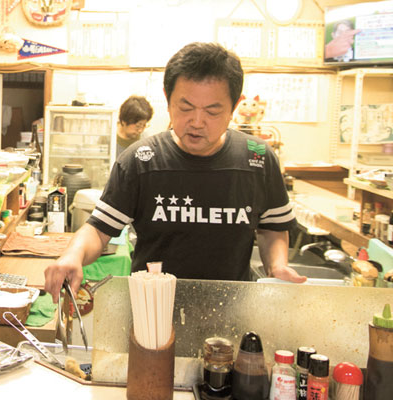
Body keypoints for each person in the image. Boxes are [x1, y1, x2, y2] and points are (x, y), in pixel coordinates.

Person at [44, 42, 306, 301]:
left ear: (234, 107)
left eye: (212, 111)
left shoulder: (257, 159)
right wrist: (73, 254)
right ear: (168, 100)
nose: (197, 122)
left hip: (233, 307)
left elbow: (273, 228)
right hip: (151, 309)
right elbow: (99, 230)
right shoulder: (140, 161)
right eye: (186, 108)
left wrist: (277, 266)